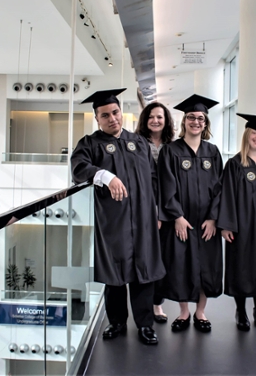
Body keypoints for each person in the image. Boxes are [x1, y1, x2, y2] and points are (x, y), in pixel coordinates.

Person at [70, 88, 165, 345]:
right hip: (114, 221)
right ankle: (117, 322)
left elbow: (154, 179)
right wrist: (106, 176)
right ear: (97, 119)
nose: (112, 118)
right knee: (116, 274)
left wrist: (156, 210)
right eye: (105, 115)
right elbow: (78, 168)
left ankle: (145, 325)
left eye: (115, 112)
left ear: (120, 112)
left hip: (144, 218)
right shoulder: (90, 144)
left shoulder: (139, 143)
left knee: (143, 272)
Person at [157, 94, 223, 333]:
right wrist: (177, 217)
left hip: (207, 224)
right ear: (184, 121)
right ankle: (184, 312)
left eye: (201, 118)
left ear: (206, 123)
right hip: (183, 222)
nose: (196, 122)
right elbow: (166, 186)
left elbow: (219, 189)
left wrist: (214, 218)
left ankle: (201, 312)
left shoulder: (213, 152)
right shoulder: (171, 151)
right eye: (192, 118)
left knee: (206, 266)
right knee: (181, 266)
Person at [217, 114, 256, 331]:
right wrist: (227, 225)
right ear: (247, 135)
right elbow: (227, 195)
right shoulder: (234, 164)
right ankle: (241, 310)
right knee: (241, 267)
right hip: (241, 227)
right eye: (255, 133)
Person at [135, 101, 175, 323]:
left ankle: (157, 305)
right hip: (145, 209)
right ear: (145, 120)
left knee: (163, 260)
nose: (155, 120)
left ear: (166, 120)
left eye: (159, 117)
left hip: (167, 210)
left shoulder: (173, 145)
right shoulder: (137, 143)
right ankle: (144, 306)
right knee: (146, 259)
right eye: (151, 117)